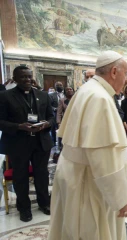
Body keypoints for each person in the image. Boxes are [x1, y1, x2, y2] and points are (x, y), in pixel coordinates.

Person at [48, 51, 127, 239]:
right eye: (125, 74)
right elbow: (103, 158)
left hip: (74, 174)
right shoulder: (99, 98)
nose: (126, 80)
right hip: (88, 182)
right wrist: (121, 199)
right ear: (114, 71)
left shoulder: (88, 90)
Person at [0, 66, 53, 222]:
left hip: (40, 142)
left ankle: (44, 203)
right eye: (23, 77)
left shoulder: (43, 95)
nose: (27, 80)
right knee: (20, 176)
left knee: (42, 175)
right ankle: (24, 208)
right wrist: (18, 126)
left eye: (29, 76)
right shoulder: (5, 96)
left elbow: (51, 117)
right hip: (18, 143)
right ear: (15, 78)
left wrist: (45, 124)